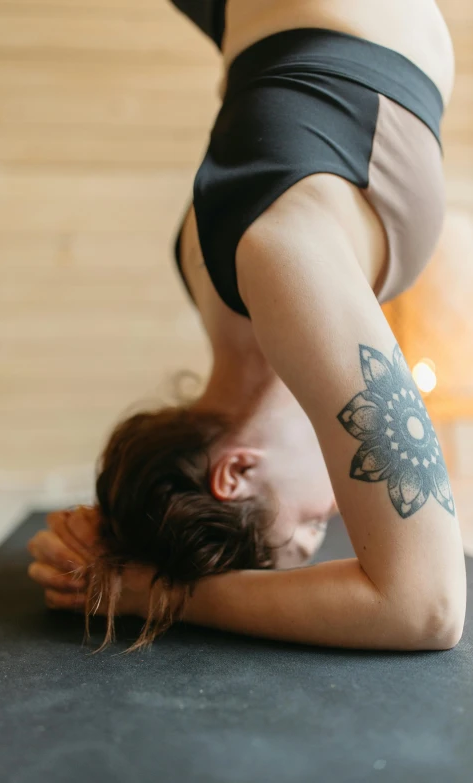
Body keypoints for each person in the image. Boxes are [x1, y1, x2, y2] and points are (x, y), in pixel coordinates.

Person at [27, 0, 467, 652]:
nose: (338, 518)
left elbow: (425, 606)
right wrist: (115, 533)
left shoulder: (291, 280)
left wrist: (153, 590)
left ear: (233, 473)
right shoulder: (202, 263)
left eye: (307, 530)